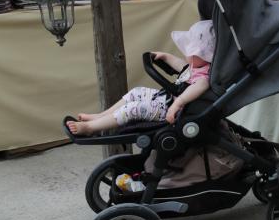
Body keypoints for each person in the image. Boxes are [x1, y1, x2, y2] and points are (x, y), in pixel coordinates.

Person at [66, 20, 215, 135]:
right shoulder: (195, 66)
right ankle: (100, 116)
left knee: (133, 108)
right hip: (164, 99)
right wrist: (166, 56)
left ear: (203, 55)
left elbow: (197, 88)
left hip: (170, 110)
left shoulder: (204, 78)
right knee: (136, 92)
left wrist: (177, 104)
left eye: (191, 52)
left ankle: (90, 128)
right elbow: (182, 67)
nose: (187, 54)